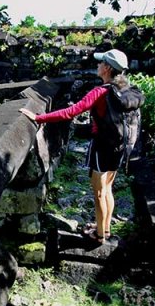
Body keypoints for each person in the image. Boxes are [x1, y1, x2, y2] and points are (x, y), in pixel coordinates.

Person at [19, 49, 130, 244]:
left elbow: (71, 112)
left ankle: (99, 236)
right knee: (108, 188)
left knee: (98, 192)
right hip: (120, 146)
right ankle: (105, 228)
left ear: (106, 68)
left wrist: (38, 118)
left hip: (102, 146)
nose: (97, 65)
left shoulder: (100, 92)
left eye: (100, 63)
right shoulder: (124, 91)